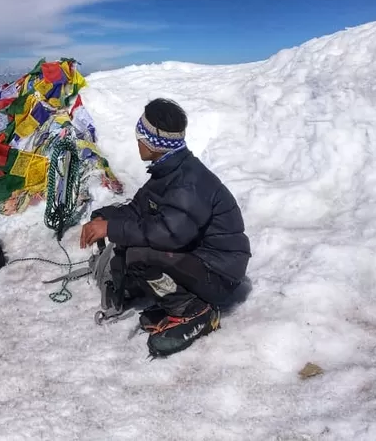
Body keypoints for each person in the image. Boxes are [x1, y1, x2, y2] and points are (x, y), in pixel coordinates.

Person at [79, 98, 251, 357]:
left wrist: (111, 229)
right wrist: (103, 217)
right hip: (202, 260)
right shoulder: (168, 171)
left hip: (221, 273)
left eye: (141, 135)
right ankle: (172, 296)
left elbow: (169, 235)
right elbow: (137, 210)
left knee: (140, 252)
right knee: (130, 238)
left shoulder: (188, 182)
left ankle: (194, 310)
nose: (137, 140)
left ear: (154, 143)